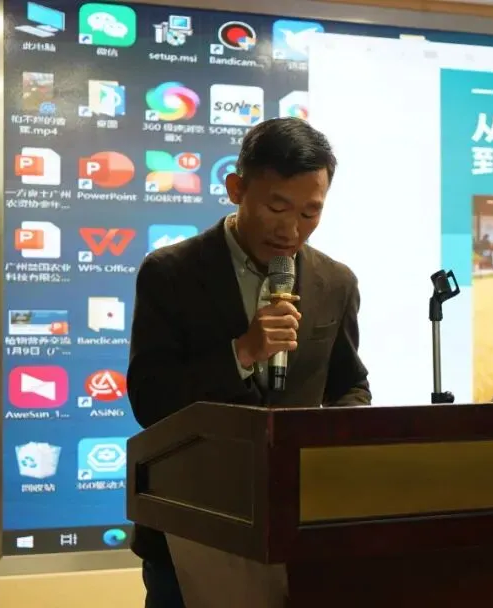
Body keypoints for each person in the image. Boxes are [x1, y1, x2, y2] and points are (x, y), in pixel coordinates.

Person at [125, 117, 372, 608]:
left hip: (296, 529)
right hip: (190, 531)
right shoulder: (171, 273)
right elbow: (150, 400)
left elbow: (351, 385)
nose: (291, 229)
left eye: (310, 212)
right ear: (236, 188)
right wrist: (241, 353)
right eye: (277, 207)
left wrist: (335, 449)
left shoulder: (336, 282)